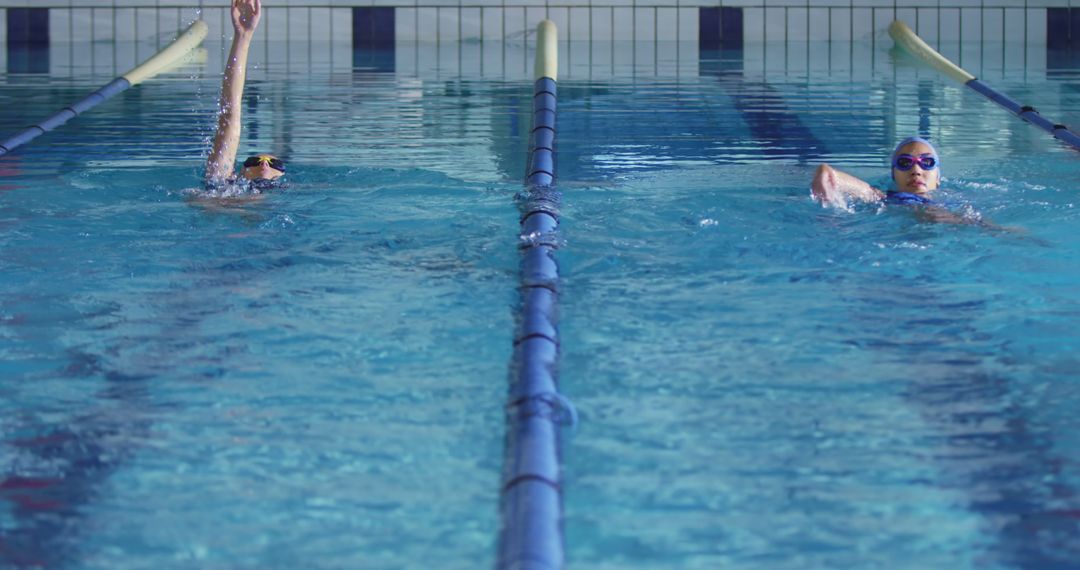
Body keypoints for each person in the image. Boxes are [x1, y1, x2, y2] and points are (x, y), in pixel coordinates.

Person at [204, 0, 285, 189]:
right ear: (238, 171)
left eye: (274, 163)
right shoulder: (222, 182)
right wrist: (243, 37)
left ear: (282, 174)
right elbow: (230, 114)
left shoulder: (293, 195)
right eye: (254, 161)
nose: (264, 163)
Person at [811, 136, 940, 209]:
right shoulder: (888, 200)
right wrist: (825, 173)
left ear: (938, 177)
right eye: (904, 163)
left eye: (927, 162)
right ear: (893, 175)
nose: (916, 171)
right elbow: (865, 190)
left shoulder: (956, 201)